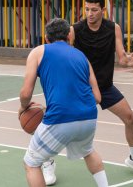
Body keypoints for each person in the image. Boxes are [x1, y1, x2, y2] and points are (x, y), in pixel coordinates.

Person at [42, 0, 133, 185]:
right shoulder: (75, 29)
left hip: (105, 86)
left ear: (103, 10)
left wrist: (125, 60)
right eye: (86, 9)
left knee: (130, 118)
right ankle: (48, 161)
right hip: (79, 87)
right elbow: (65, 55)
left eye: (94, 9)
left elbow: (121, 56)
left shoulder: (113, 28)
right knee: (59, 125)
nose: (90, 13)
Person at [19, 18, 108, 187]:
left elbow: (26, 92)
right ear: (69, 35)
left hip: (60, 117)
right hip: (88, 116)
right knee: (88, 151)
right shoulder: (82, 56)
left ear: (46, 38)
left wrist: (23, 107)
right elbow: (97, 97)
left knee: (31, 162)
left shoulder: (38, 52)